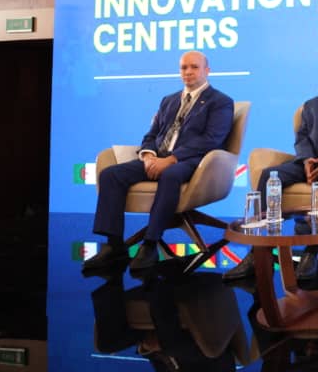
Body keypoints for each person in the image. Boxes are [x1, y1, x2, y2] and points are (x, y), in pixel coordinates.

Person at [225, 53, 318, 281]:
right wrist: (307, 160)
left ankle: (313, 251)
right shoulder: (313, 104)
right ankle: (257, 254)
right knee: (270, 176)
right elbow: (302, 137)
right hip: (311, 162)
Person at [82, 51, 234, 276]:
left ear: (207, 70)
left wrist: (171, 159)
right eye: (184, 67)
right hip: (158, 157)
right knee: (110, 175)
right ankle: (114, 245)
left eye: (194, 67)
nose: (188, 72)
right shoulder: (168, 100)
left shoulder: (220, 102)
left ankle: (150, 244)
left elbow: (211, 139)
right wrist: (148, 156)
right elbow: (152, 134)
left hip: (193, 161)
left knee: (170, 174)